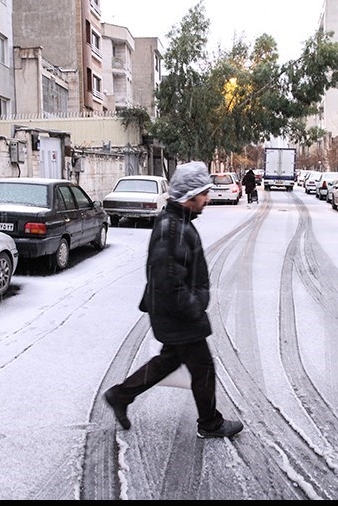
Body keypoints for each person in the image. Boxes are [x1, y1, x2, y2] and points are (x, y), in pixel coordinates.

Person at [104, 161, 244, 439]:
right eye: (203, 193)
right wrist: (193, 308)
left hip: (173, 311)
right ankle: (210, 424)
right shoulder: (173, 229)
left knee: (168, 361)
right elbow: (168, 280)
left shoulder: (178, 223)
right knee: (203, 367)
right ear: (188, 196)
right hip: (178, 313)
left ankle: (120, 395)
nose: (207, 198)